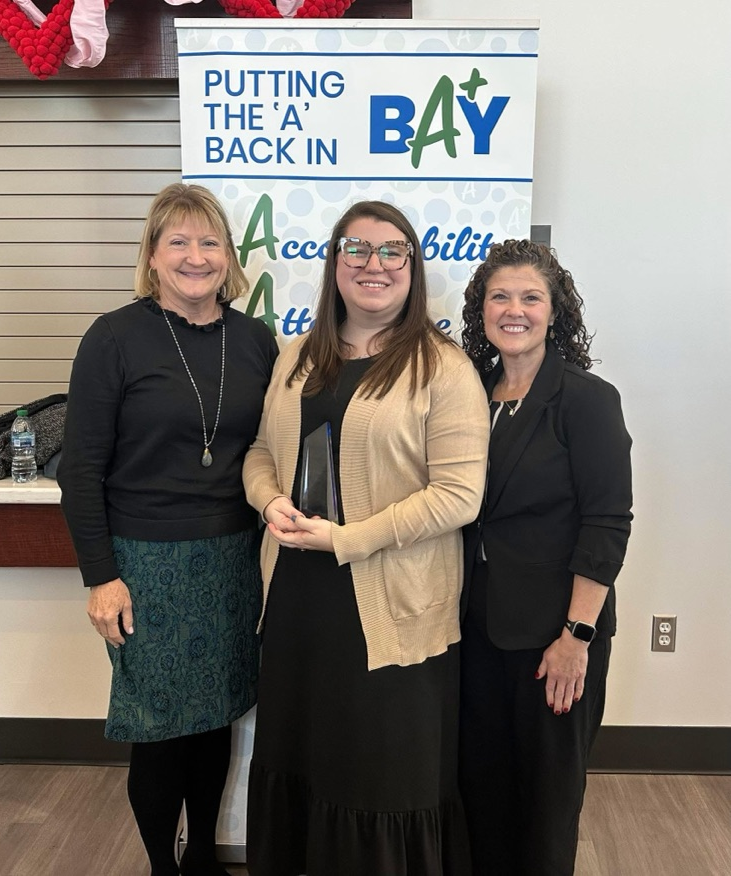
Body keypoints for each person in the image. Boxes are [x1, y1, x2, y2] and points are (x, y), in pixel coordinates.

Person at [241, 200, 489, 876]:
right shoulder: (297, 355)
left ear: (412, 267)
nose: (372, 265)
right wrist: (270, 503)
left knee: (378, 777)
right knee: (300, 761)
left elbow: (460, 495)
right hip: (297, 601)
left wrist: (350, 538)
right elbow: (262, 451)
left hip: (390, 611)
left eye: (390, 252)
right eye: (356, 249)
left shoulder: (444, 368)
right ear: (334, 263)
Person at [57, 183, 278, 876]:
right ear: (152, 256)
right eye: (177, 241)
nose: (195, 256)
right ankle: (162, 864)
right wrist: (101, 577)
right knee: (157, 730)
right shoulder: (114, 338)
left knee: (214, 721)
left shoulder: (255, 340)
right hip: (143, 566)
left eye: (209, 241)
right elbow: (79, 471)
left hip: (233, 559)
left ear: (228, 256)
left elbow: (270, 449)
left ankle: (204, 857)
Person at [458, 239, 633, 875]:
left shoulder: (587, 399)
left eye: (531, 297)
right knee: (481, 794)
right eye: (499, 296)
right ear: (480, 310)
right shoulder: (469, 393)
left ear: (555, 311)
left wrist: (576, 636)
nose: (515, 310)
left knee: (546, 803)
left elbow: (608, 522)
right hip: (474, 631)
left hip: (553, 640)